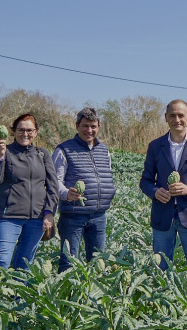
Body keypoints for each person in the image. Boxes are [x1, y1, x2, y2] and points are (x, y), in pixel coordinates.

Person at [139, 99, 187, 274]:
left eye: (181, 115)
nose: (177, 119)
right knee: (161, 268)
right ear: (166, 118)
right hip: (162, 215)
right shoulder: (155, 146)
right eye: (172, 115)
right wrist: (154, 192)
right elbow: (145, 181)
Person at [0, 113, 58, 269]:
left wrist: (49, 212)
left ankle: (18, 294)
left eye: (29, 130)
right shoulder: (6, 152)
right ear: (13, 132)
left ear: (36, 132)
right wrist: (0, 156)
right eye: (21, 130)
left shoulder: (42, 154)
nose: (25, 134)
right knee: (1, 261)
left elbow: (53, 186)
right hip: (8, 216)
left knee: (24, 264)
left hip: (36, 218)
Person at [51, 107, 116, 272]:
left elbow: (106, 174)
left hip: (99, 215)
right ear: (77, 126)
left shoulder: (104, 150)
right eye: (85, 126)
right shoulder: (63, 150)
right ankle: (67, 295)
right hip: (73, 216)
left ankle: (92, 295)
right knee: (68, 261)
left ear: (98, 127)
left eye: (93, 126)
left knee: (97, 261)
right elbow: (54, 181)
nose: (89, 130)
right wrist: (66, 193)